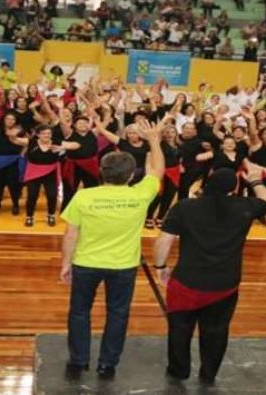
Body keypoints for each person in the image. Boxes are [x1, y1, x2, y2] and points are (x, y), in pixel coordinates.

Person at [60, 118, 165, 380]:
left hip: (86, 264)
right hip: (123, 266)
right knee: (117, 314)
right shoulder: (140, 195)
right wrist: (154, 140)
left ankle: (78, 361)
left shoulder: (84, 196)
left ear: (101, 172)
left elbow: (70, 233)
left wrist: (65, 264)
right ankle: (107, 364)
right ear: (131, 176)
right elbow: (157, 171)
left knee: (79, 312)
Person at [153, 165, 266, 384]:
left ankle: (179, 370)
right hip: (224, 284)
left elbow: (164, 240)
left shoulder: (185, 207)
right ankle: (208, 374)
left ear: (207, 184)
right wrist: (256, 182)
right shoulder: (244, 207)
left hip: (187, 281)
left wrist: (160, 267)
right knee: (216, 331)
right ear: (234, 188)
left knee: (180, 328)